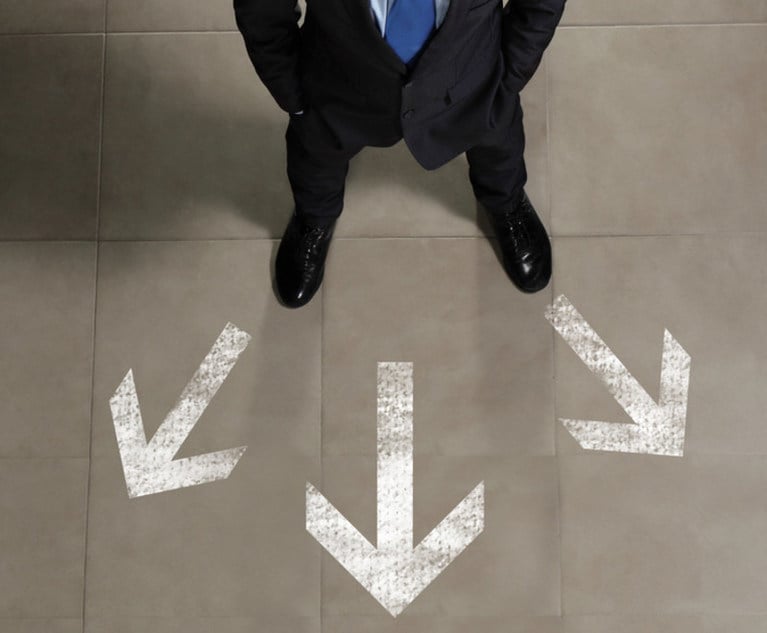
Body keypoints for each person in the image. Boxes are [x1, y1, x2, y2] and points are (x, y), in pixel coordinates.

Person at [234, 0, 567, 308]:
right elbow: (262, 8)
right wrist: (292, 95)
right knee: (316, 158)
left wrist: (510, 77)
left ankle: (506, 202)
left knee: (498, 148)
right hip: (339, 80)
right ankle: (315, 216)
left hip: (472, 75)